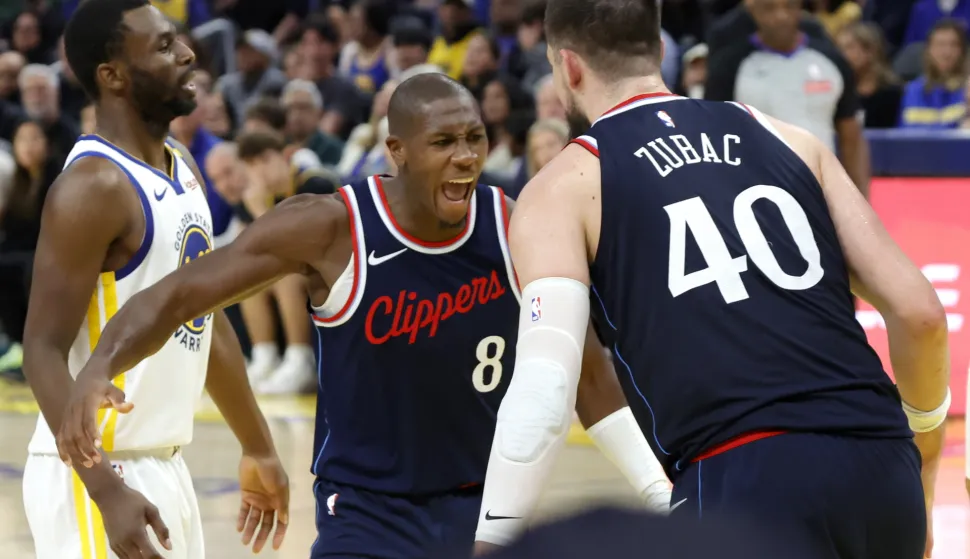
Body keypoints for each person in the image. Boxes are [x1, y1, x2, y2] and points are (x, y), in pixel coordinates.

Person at [55, 72, 673, 558]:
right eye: (444, 142)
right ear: (396, 151)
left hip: (482, 509)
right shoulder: (330, 228)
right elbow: (179, 296)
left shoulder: (513, 225)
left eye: (474, 138)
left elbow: (588, 373)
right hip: (365, 513)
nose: (465, 156)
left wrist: (660, 493)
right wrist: (100, 365)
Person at [471, 0, 950, 557]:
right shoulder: (789, 138)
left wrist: (492, 538)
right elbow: (919, 314)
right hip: (882, 467)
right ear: (657, 50)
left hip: (742, 476)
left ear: (569, 66)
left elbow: (547, 388)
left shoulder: (563, 184)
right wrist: (923, 459)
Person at [21, 1, 290, 558]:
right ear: (113, 75)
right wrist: (104, 490)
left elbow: (205, 320)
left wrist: (258, 446)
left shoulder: (182, 165)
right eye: (165, 47)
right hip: (99, 471)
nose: (188, 54)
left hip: (164, 463)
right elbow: (41, 351)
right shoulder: (92, 186)